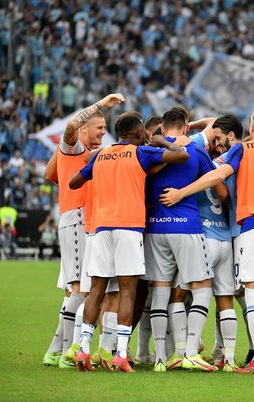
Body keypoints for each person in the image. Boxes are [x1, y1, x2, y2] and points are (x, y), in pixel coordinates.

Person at [159, 106, 254, 374]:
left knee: (253, 291)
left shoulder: (244, 149)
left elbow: (218, 175)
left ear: (252, 127)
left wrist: (182, 192)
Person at [69, 110, 189, 373]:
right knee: (127, 291)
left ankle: (84, 350)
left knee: (97, 290)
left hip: (100, 228)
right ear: (138, 133)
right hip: (128, 228)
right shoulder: (141, 153)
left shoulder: (102, 154)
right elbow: (182, 155)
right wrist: (162, 142)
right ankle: (121, 354)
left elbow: (74, 181)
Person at [41, 93, 117, 369]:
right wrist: (100, 105)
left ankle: (54, 351)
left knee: (78, 290)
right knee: (80, 289)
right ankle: (63, 354)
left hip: (83, 221)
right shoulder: (72, 147)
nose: (103, 133)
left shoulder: (79, 154)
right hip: (76, 220)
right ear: (84, 128)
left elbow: (49, 175)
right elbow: (70, 127)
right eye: (99, 128)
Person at [142, 109, 217, 372]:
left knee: (160, 293)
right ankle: (189, 351)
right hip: (187, 226)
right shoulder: (196, 151)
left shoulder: (151, 152)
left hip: (155, 228)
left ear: (162, 129)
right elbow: (217, 184)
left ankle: (161, 358)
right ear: (186, 128)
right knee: (202, 285)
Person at [190, 114, 244, 371]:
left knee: (181, 294)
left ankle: (187, 351)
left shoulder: (205, 164)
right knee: (225, 299)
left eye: (219, 138)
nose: (217, 142)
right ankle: (229, 358)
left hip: (206, 236)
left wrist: (191, 128)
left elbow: (218, 189)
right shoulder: (239, 158)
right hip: (227, 238)